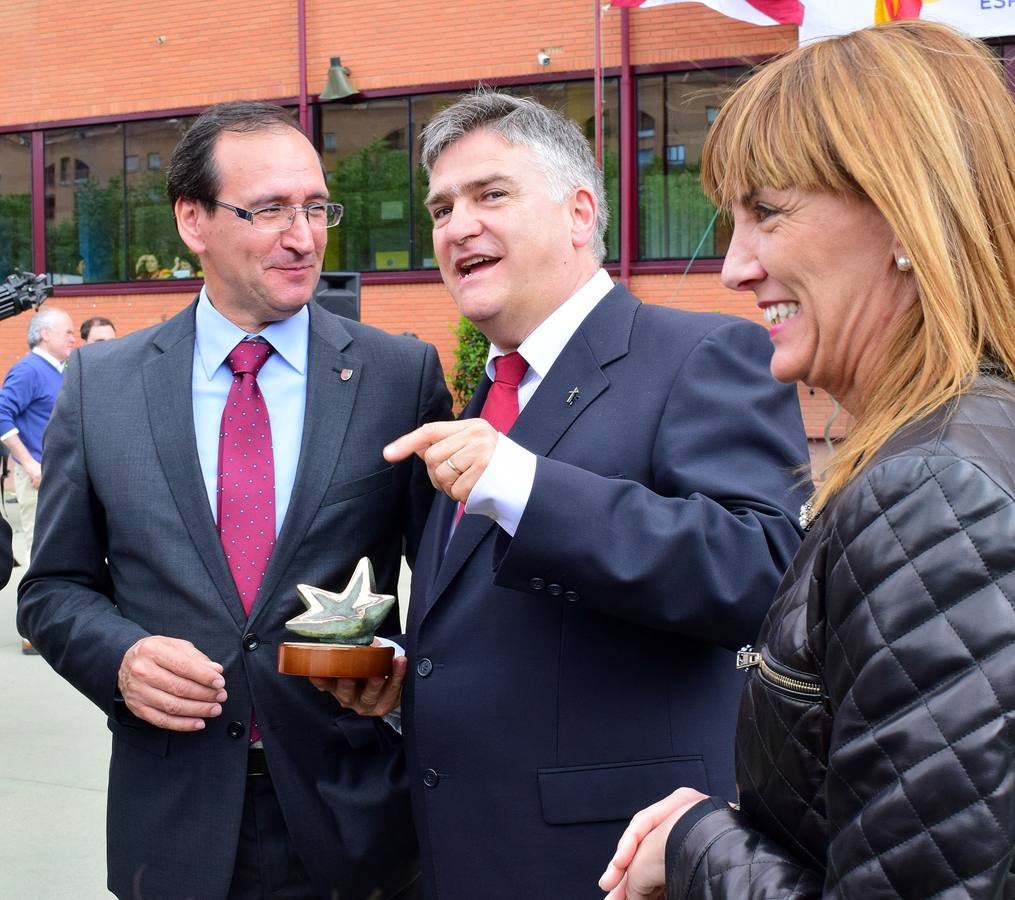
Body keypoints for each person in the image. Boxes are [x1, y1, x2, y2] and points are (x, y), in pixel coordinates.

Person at [324, 91, 811, 898]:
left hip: (613, 862)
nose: (455, 226)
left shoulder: (699, 352)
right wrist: (411, 681)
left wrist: (524, 483)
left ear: (580, 212)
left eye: (490, 194)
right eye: (441, 208)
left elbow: (762, 570)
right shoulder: (482, 402)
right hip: (466, 852)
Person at [600, 21, 1015, 900]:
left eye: (767, 212)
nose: (735, 267)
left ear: (906, 211)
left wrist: (696, 845)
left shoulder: (933, 491)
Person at [18, 101, 451, 900]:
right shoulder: (102, 387)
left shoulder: (400, 377)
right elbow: (52, 590)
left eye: (316, 207)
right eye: (270, 210)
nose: (304, 236)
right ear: (193, 220)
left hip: (356, 817)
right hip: (175, 817)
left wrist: (396, 667)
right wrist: (121, 657)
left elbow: (454, 591)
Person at [0, 307, 75, 569]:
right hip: (38, 477)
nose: (73, 338)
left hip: (62, 474)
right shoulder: (28, 370)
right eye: (67, 332)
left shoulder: (61, 369)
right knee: (41, 551)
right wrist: (29, 462)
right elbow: (1, 413)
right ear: (45, 334)